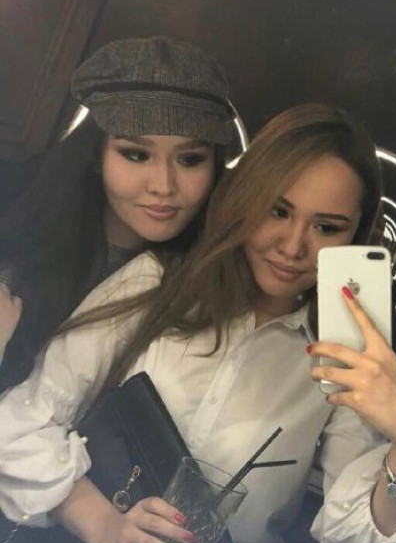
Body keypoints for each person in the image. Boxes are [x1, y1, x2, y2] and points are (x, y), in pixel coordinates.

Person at [0, 104, 396, 543]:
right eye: (278, 211)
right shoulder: (157, 285)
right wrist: (103, 525)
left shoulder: (343, 360)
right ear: (246, 199)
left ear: (355, 235)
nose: (293, 246)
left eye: (326, 227)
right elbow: (18, 423)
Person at [0, 35, 240, 393]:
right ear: (97, 155)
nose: (163, 185)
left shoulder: (217, 287)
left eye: (190, 159)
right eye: (137, 155)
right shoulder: (18, 250)